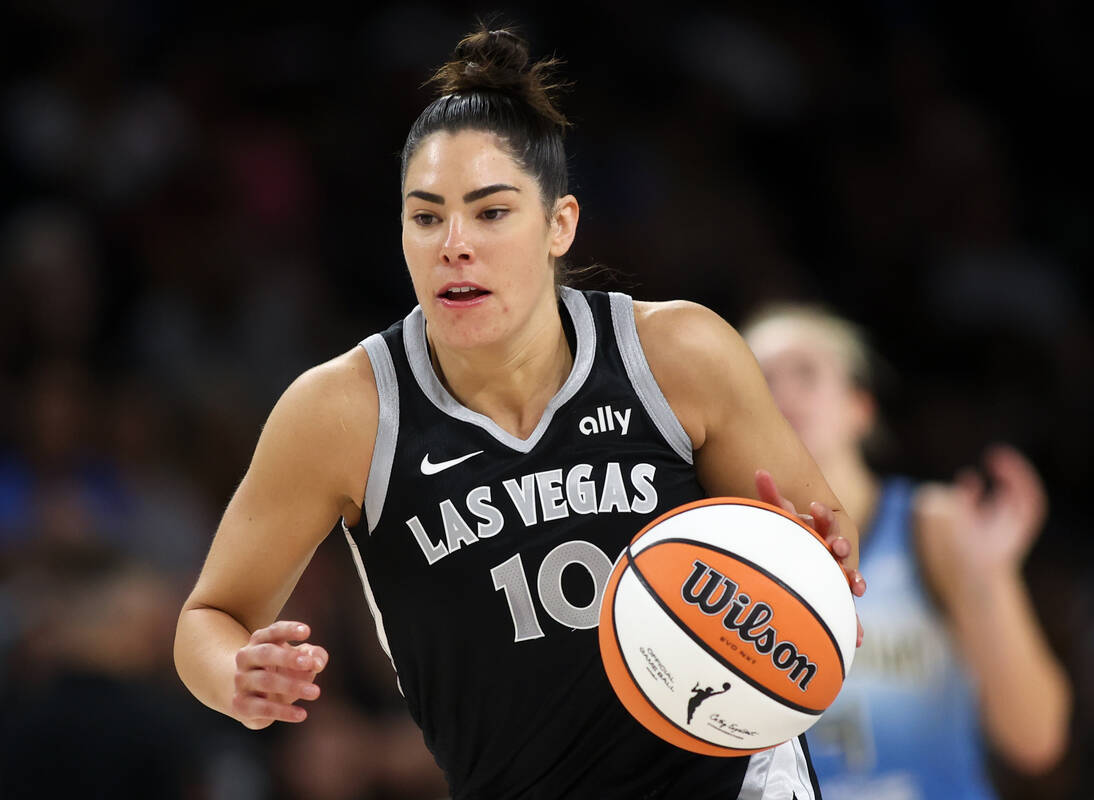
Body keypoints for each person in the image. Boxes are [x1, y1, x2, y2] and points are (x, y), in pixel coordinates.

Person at [174, 25, 866, 800]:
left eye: (491, 213)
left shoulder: (679, 354)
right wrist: (237, 676)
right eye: (426, 216)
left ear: (559, 224)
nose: (455, 244)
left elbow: (822, 554)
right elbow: (208, 617)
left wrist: (820, 569)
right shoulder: (344, 411)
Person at [742, 303, 1072, 800]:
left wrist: (990, 578)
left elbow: (1036, 741)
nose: (783, 394)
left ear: (860, 406)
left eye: (805, 374)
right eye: (762, 381)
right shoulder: (727, 545)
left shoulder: (931, 525)